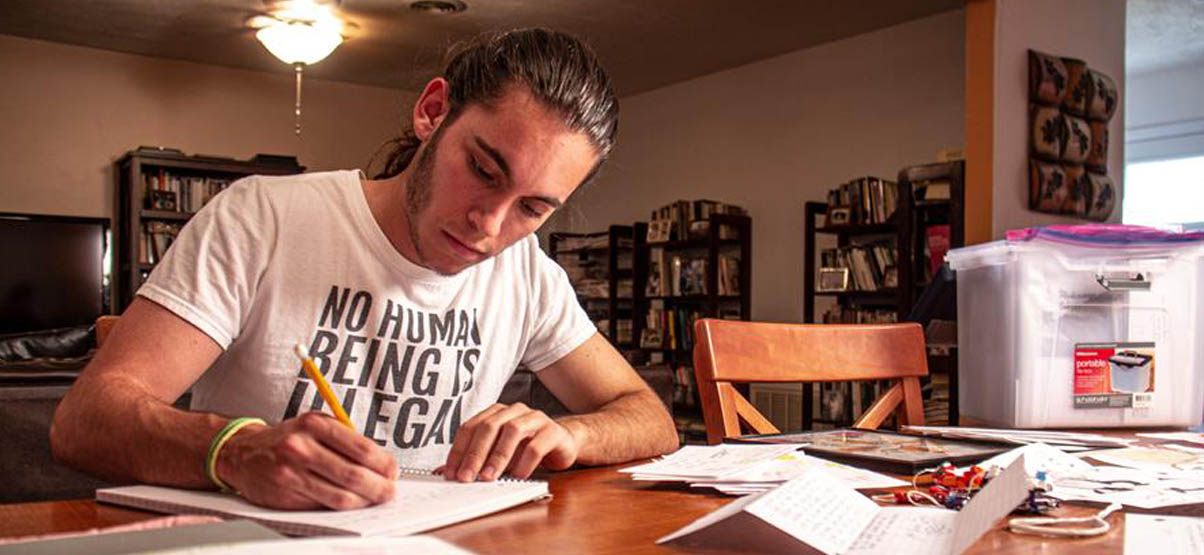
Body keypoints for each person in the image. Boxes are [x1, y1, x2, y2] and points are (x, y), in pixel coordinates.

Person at [51, 28, 678, 511]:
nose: (490, 226)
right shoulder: (263, 217)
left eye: (533, 208)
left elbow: (649, 419)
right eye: (484, 170)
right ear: (433, 111)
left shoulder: (528, 274)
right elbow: (84, 421)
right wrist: (235, 450)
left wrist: (572, 435)